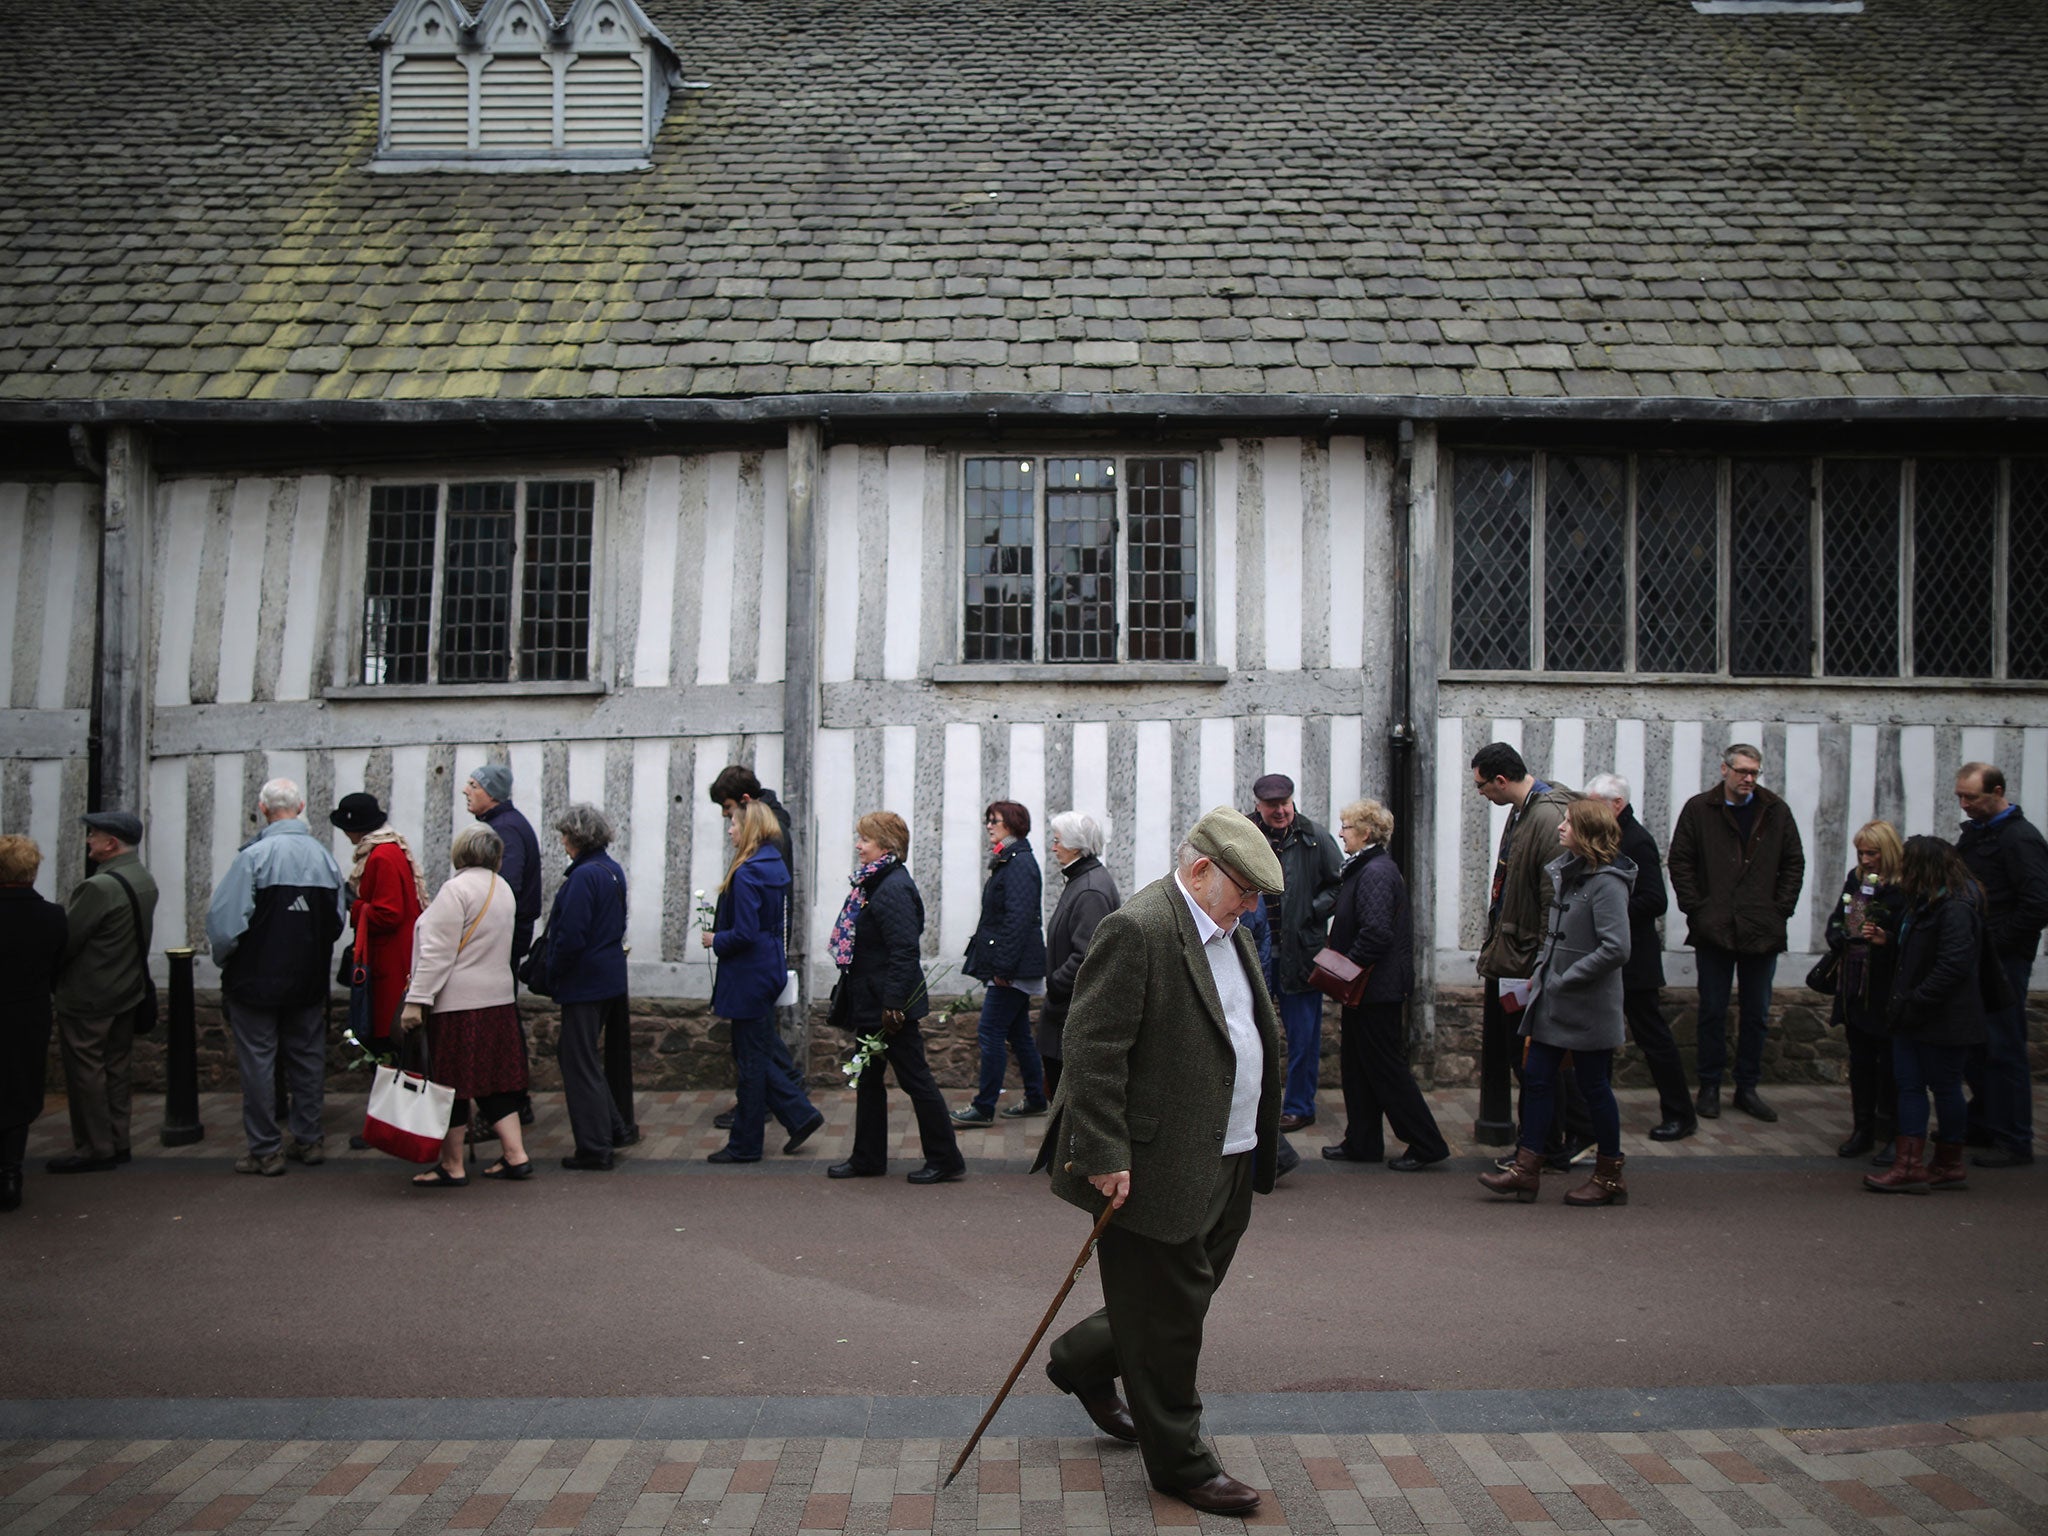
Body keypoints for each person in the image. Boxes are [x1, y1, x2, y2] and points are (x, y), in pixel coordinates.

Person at [1036, 807, 1283, 1517]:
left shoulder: (1230, 931)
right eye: (1245, 889)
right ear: (1201, 870)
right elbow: (1091, 1052)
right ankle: (1180, 1463)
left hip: (1228, 1156)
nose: (1253, 905)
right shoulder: (1139, 928)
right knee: (1173, 1321)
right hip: (1152, 1164)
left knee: (1181, 1297)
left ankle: (1081, 1360)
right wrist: (1106, 1154)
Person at [1480, 797, 1635, 1206]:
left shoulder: (1608, 883)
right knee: (1537, 1078)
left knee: (1594, 1087)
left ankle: (1609, 1175)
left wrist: (1567, 977)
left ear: (1587, 831)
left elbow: (1616, 948)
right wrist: (1542, 977)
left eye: (1568, 822)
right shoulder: (1571, 873)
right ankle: (1526, 1169)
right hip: (1552, 999)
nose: (1561, 827)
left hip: (1586, 1005)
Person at [205, 779, 347, 1176]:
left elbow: (224, 925)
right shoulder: (324, 858)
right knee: (307, 1057)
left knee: (258, 1062)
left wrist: (227, 962)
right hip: (306, 978)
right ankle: (309, 1138)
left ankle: (266, 1149)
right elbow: (335, 922)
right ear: (301, 806)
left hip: (255, 979)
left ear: (262, 809)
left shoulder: (253, 857)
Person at [1667, 742, 1806, 1124]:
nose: (1748, 779)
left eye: (1754, 773)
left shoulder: (1774, 810)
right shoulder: (1700, 809)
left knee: (1756, 1012)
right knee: (1712, 1008)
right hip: (1715, 926)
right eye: (1742, 771)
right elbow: (1680, 859)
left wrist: (1780, 910)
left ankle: (1747, 1086)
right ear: (1724, 769)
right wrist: (1698, 908)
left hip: (1762, 925)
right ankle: (1709, 1085)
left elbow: (1793, 861)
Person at [826, 812, 964, 1184]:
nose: (858, 846)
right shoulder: (875, 883)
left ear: (886, 846)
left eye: (865, 840)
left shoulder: (893, 888)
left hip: (889, 1007)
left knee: (916, 1081)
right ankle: (867, 1158)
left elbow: (904, 951)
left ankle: (945, 1159)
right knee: (869, 1082)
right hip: (871, 1002)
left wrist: (892, 1005)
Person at [400, 824, 530, 1186]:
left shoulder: (455, 890)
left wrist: (416, 1001)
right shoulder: (502, 889)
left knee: (449, 1082)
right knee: (495, 1081)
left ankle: (453, 1165)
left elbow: (436, 953)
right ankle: (515, 1155)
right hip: (499, 1000)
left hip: (459, 1004)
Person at [1321, 799, 1447, 1171]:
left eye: (1346, 827)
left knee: (1386, 1069)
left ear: (1366, 833)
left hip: (1376, 989)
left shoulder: (1375, 872)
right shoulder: (1365, 868)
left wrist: (1345, 969)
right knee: (1358, 1065)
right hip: (1369, 988)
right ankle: (1362, 1141)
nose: (1341, 832)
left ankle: (1427, 1143)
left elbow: (1376, 934)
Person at [1470, 743, 1582, 1155]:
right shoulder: (1523, 812)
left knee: (1537, 1061)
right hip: (1516, 954)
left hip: (1529, 960)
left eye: (1482, 786)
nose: (1481, 794)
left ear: (1501, 780)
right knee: (1530, 1060)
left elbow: (1556, 898)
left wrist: (1543, 965)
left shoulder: (1549, 816)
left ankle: (1548, 1146)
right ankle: (1546, 1143)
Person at [1865, 836, 1991, 1194]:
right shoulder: (1928, 902)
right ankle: (1917, 1164)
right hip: (1917, 1014)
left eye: (1908, 863)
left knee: (1943, 1087)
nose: (1901, 868)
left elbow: (1953, 965)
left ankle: (1942, 1163)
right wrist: (1889, 941)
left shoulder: (1954, 907)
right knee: (1912, 1086)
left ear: (1924, 867)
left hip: (1940, 1017)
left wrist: (1915, 1000)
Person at [703, 800, 822, 1163]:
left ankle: (746, 1143)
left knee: (751, 1061)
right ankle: (799, 1115)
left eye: (735, 824)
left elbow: (742, 933)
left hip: (747, 973)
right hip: (767, 966)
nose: (730, 830)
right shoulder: (773, 866)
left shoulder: (747, 873)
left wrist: (714, 940)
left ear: (750, 828)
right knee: (757, 1050)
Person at [47, 811, 157, 1175]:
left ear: (111, 844)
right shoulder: (142, 878)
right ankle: (118, 1139)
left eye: (93, 835)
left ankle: (96, 1147)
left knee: (87, 1073)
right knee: (116, 1067)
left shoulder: (99, 887)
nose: (88, 840)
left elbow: (66, 941)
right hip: (126, 989)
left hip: (90, 994)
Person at [1586, 773, 1694, 1142]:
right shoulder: (1607, 837)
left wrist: (1609, 909)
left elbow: (1655, 900)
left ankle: (1680, 1113)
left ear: (1616, 804)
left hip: (1635, 961)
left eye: (1595, 802)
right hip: (1610, 957)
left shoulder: (1637, 840)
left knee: (1653, 1037)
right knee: (1602, 1039)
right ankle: (1598, 1115)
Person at [1953, 762, 2046, 1169]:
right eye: (1960, 796)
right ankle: (1985, 1122)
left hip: (2004, 959)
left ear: (1997, 791)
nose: (1964, 804)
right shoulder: (1977, 834)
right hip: (1978, 953)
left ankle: (2014, 1138)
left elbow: (2037, 905)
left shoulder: (2020, 839)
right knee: (1976, 1044)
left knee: (2004, 1047)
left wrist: (1994, 944)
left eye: (1971, 797)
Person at [536, 804, 630, 1170]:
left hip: (585, 980)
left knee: (578, 1061)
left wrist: (554, 972)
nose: (561, 841)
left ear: (575, 838)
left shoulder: (583, 878)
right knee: (581, 1056)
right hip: (606, 975)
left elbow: (571, 936)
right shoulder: (611, 870)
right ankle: (612, 1128)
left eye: (564, 835)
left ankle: (595, 1146)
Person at [1247, 773, 1343, 1131]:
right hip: (1254, 948)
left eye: (1285, 803)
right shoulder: (1243, 835)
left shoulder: (1314, 837)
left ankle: (1301, 1106)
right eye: (1272, 806)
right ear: (1258, 805)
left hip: (1300, 951)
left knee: (1303, 1036)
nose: (1280, 811)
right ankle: (1251, 1102)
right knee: (1250, 1032)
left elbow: (1339, 883)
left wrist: (1311, 910)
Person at [708, 763, 795, 1133]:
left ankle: (773, 1101)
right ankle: (791, 1104)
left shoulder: (763, 847)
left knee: (753, 1042)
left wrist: (719, 938)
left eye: (729, 812)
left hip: (751, 960)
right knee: (756, 1038)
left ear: (744, 803)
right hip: (762, 955)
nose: (728, 823)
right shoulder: (771, 837)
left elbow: (751, 921)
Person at [952, 800, 1050, 1126]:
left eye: (995, 820)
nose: (989, 825)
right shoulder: (1008, 858)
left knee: (990, 1031)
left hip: (1013, 968)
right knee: (1018, 1032)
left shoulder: (1018, 862)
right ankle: (1037, 1098)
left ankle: (983, 1107)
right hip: (1012, 964)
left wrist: (1004, 968)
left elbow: (1018, 921)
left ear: (1013, 823)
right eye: (988, 820)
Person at [463, 761, 542, 1134]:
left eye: (474, 785)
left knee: (495, 1022)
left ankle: (508, 1104)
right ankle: (512, 1102)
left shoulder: (506, 829)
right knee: (501, 1019)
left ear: (491, 792)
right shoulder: (505, 825)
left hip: (500, 941)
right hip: (504, 939)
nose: (466, 790)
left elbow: (500, 889)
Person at [1823, 821, 1905, 1160]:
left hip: (1886, 984)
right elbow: (1839, 919)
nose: (1866, 859)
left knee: (1890, 1064)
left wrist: (1886, 939)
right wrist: (1838, 934)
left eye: (1872, 853)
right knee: (1860, 1061)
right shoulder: (1857, 881)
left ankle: (1893, 1132)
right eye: (1861, 853)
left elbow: (1909, 935)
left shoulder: (1903, 888)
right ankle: (1863, 1128)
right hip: (1855, 982)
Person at [331, 792, 426, 1063]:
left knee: (389, 1043)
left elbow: (388, 914)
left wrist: (357, 906)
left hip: (390, 962)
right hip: (396, 957)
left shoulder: (381, 856)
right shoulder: (390, 849)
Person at [0, 837, 67, 1212]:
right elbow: (55, 967)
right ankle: (10, 1175)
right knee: (19, 1090)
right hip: (29, 1013)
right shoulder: (53, 917)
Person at [1036, 812, 1120, 1105]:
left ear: (1076, 846)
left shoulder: (1089, 889)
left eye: (1057, 841)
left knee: (1068, 1112)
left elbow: (1087, 955)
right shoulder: (1082, 879)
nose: (1053, 847)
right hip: (1065, 1014)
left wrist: (1056, 984)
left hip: (1069, 1018)